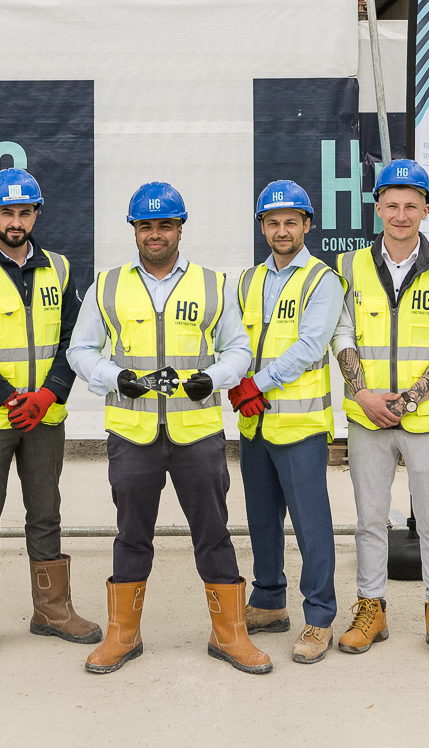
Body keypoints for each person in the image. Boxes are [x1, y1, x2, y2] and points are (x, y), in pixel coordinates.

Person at [68, 182, 271, 675]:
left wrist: (215, 379)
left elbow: (239, 350)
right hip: (132, 435)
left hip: (196, 435)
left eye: (165, 225)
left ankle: (230, 635)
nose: (155, 234)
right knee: (130, 535)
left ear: (180, 229)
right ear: (134, 231)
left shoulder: (211, 284)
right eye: (146, 226)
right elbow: (80, 350)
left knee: (214, 534)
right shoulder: (107, 285)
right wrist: (115, 378)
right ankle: (123, 635)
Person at [0, 168, 99, 667]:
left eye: (24, 211)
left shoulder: (59, 266)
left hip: (45, 419)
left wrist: (48, 396)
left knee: (46, 511)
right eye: (7, 212)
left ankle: (52, 611)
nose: (16, 221)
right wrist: (13, 399)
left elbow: (72, 341)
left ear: (36, 214)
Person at [332, 159, 429, 665]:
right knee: (370, 520)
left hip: (426, 419)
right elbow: (341, 333)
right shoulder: (348, 267)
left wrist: (409, 401)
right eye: (391, 204)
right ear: (377, 208)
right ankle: (372, 608)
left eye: (412, 205)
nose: (401, 213)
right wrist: (366, 394)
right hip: (367, 417)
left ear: (426, 209)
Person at [226, 180, 344, 665]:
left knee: (311, 525)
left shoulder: (323, 280)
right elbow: (233, 340)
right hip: (255, 425)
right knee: (261, 520)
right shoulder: (248, 281)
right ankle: (270, 600)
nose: (281, 230)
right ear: (262, 227)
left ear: (307, 225)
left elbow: (309, 348)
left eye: (290, 222)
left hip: (299, 427)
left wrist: (257, 383)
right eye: (272, 222)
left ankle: (319, 618)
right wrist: (237, 380)